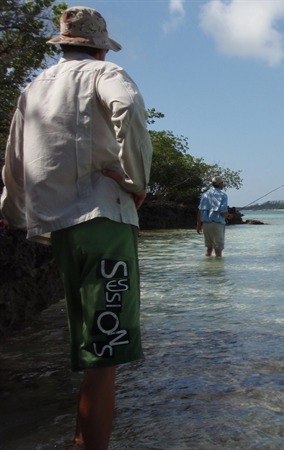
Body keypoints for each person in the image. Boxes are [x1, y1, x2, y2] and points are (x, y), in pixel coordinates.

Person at [0, 7, 152, 449]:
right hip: (104, 222)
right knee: (104, 357)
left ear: (62, 44)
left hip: (61, 229)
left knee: (92, 347)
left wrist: (11, 212)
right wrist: (136, 181)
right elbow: (128, 108)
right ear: (100, 47)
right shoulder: (106, 73)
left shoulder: (32, 89)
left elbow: (13, 159)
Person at [196, 176, 232, 257]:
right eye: (222, 183)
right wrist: (229, 216)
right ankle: (217, 268)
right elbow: (223, 213)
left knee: (209, 249)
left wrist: (198, 225)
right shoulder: (223, 195)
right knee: (218, 250)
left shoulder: (205, 194)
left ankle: (208, 268)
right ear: (220, 184)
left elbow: (199, 210)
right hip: (217, 225)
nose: (223, 185)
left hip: (206, 225)